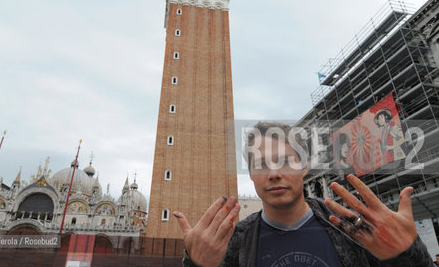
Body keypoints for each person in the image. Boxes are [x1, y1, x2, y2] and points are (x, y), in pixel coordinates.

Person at [174, 122, 432, 267]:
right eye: (262, 164)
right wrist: (197, 266)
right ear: (251, 174)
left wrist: (408, 254)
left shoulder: (353, 231)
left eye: (286, 161)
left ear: (304, 167)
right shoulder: (233, 243)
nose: (274, 173)